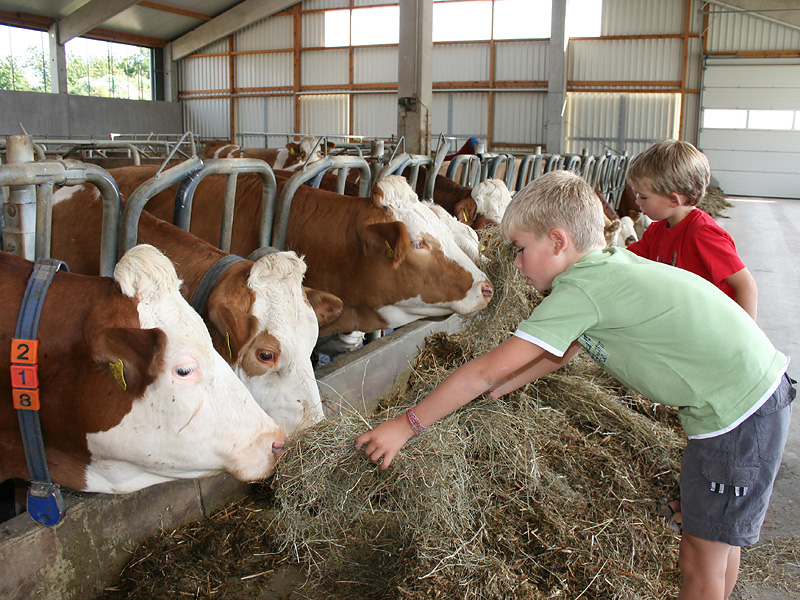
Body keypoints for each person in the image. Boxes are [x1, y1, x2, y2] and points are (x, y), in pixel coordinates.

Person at [355, 170, 794, 600]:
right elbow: (562, 351)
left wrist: (407, 424)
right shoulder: (607, 267)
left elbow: (484, 368)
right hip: (751, 397)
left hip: (736, 415)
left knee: (698, 560)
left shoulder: (579, 291)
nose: (517, 263)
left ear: (558, 241)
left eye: (521, 249)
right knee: (718, 543)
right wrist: (500, 392)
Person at [626, 139, 758, 320]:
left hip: (713, 325)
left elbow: (745, 284)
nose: (637, 202)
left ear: (674, 200)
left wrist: (747, 337)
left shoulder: (702, 233)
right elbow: (625, 260)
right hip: (683, 322)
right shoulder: (656, 231)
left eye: (643, 197)